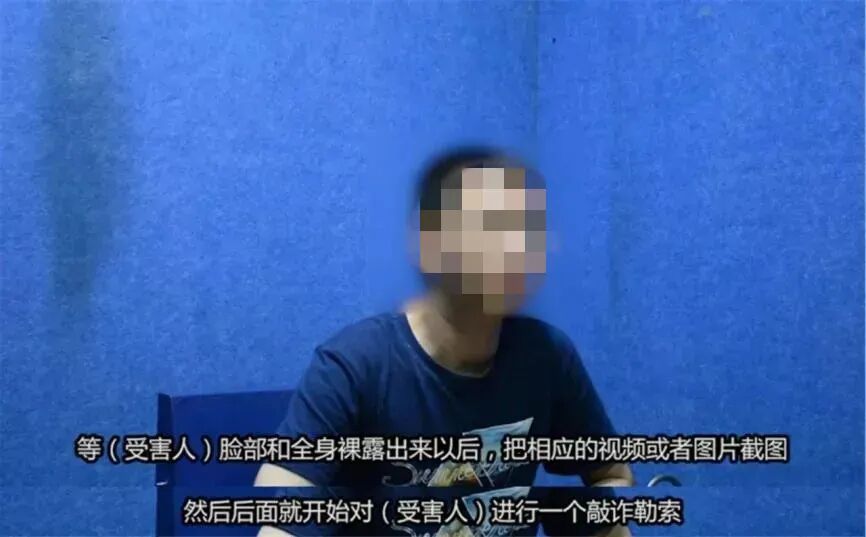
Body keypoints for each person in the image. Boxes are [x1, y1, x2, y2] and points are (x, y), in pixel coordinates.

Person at [255, 147, 634, 537]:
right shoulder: (355, 365)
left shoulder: (548, 356)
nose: (515, 246)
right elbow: (279, 510)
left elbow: (612, 473)